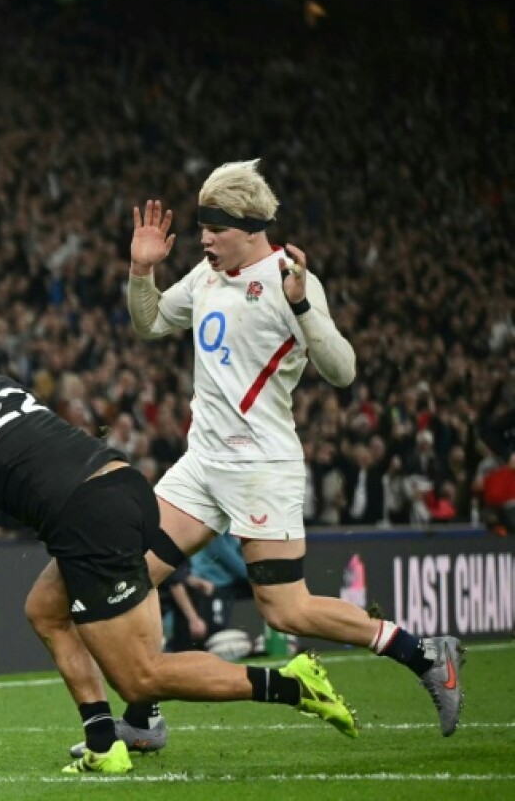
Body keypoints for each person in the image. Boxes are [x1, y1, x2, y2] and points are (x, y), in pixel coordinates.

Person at [64, 160, 465, 756]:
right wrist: (141, 270)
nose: (204, 239)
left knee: (286, 610)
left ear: (250, 226)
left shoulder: (289, 278)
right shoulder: (204, 275)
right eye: (201, 228)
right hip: (201, 466)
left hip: (261, 468)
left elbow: (343, 370)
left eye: (214, 228)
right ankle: (144, 716)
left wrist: (303, 309)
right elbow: (148, 324)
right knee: (126, 576)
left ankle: (425, 652)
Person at [0, 338, 356, 776]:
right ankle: (105, 743)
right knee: (45, 610)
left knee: (141, 675)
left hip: (86, 518)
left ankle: (291, 685)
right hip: (124, 484)